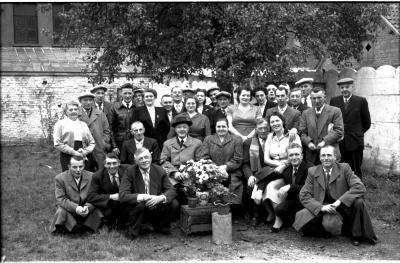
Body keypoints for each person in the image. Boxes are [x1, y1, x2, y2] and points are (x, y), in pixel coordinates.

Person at [293, 145, 378, 246]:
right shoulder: (312, 171)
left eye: (329, 155)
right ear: (319, 158)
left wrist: (339, 201)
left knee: (358, 202)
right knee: (305, 223)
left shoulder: (344, 168)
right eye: (323, 155)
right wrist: (321, 207)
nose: (326, 158)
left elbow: (359, 187)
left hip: (343, 204)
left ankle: (357, 235)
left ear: (335, 157)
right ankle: (336, 228)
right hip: (324, 204)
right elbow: (303, 194)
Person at [251, 112, 302, 232]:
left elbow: (296, 156)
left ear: (283, 121)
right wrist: (279, 165)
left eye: (277, 121)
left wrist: (284, 165)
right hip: (274, 168)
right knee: (269, 184)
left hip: (290, 168)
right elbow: (266, 159)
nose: (275, 124)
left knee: (270, 187)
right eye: (272, 122)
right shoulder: (270, 136)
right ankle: (271, 213)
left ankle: (278, 219)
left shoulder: (292, 135)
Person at [119, 147, 178, 239]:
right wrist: (144, 197)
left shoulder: (159, 170)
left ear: (150, 158)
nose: (144, 160)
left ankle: (161, 227)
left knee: (173, 203)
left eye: (146, 157)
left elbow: (171, 190)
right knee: (138, 205)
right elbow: (123, 195)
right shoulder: (129, 172)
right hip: (139, 206)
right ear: (136, 161)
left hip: (155, 204)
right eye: (140, 158)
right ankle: (133, 231)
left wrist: (160, 198)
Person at [200, 118, 244, 217]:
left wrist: (225, 167)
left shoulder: (236, 139)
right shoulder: (208, 139)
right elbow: (204, 157)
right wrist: (215, 169)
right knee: (212, 186)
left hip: (233, 171)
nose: (221, 129)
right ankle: (215, 210)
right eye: (218, 126)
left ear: (228, 127)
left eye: (223, 126)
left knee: (234, 184)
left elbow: (238, 159)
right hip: (213, 171)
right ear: (215, 128)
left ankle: (232, 211)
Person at [330, 78, 371, 179]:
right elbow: (331, 120)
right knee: (340, 168)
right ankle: (341, 190)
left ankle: (357, 191)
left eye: (347, 87)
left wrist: (357, 133)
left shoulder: (361, 101)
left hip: (355, 142)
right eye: (342, 87)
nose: (344, 89)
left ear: (352, 87)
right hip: (339, 142)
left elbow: (367, 122)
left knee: (355, 169)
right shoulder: (334, 101)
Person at [50, 156, 102, 234]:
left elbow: (96, 196)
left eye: (80, 167)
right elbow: (61, 199)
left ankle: (87, 228)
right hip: (70, 210)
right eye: (74, 167)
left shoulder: (92, 176)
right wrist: (76, 208)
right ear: (69, 166)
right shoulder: (60, 178)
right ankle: (67, 229)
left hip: (86, 209)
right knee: (61, 211)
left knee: (98, 209)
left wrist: (88, 207)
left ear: (84, 166)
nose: (78, 170)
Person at [160, 114, 202, 204]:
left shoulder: (197, 143)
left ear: (188, 129)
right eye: (179, 127)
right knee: (169, 193)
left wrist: (189, 172)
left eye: (184, 127)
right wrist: (174, 172)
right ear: (175, 129)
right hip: (172, 176)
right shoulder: (168, 143)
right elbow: (163, 160)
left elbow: (200, 161)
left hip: (190, 175)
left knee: (191, 192)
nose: (182, 129)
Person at [299, 87, 344, 165]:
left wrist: (324, 142)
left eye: (319, 98)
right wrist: (308, 143)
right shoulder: (306, 113)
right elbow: (302, 132)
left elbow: (339, 130)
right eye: (314, 98)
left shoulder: (335, 111)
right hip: (311, 155)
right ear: (310, 98)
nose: (316, 101)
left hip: (329, 152)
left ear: (324, 97)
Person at [273, 143, 311, 230]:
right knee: (279, 210)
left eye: (297, 154)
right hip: (293, 200)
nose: (294, 157)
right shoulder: (286, 169)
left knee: (299, 197)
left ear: (302, 156)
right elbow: (270, 176)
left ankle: (304, 222)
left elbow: (308, 187)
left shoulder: (309, 167)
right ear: (288, 158)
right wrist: (259, 188)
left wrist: (290, 186)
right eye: (291, 155)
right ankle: (293, 221)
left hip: (308, 200)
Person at [87, 153, 131, 230]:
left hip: (126, 202)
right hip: (109, 205)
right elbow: (91, 196)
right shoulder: (97, 176)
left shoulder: (128, 170)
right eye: (108, 164)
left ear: (119, 163)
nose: (112, 166)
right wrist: (111, 197)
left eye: (114, 163)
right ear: (104, 165)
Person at [54, 100, 95, 172]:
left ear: (78, 111)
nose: (73, 111)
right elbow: (57, 143)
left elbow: (92, 142)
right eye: (71, 109)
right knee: (70, 178)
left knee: (85, 176)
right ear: (66, 112)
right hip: (67, 154)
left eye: (75, 109)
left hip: (84, 153)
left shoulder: (83, 124)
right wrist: (74, 152)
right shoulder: (60, 124)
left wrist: (86, 151)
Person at [242, 118, 269, 225]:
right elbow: (245, 163)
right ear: (256, 129)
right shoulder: (249, 143)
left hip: (270, 172)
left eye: (265, 128)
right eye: (260, 128)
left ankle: (267, 214)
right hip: (255, 172)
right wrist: (249, 176)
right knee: (251, 185)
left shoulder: (273, 140)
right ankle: (254, 215)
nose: (263, 131)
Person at [78, 91, 111, 171]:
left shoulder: (100, 113)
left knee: (101, 171)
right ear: (80, 101)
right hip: (82, 148)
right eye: (85, 100)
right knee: (85, 171)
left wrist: (104, 142)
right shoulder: (76, 114)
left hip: (99, 147)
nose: (88, 102)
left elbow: (107, 130)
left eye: (90, 100)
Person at [108, 83, 135, 154]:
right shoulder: (114, 107)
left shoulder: (138, 107)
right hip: (119, 143)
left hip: (135, 142)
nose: (127, 96)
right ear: (121, 94)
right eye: (125, 93)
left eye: (129, 93)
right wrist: (114, 146)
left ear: (133, 93)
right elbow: (110, 128)